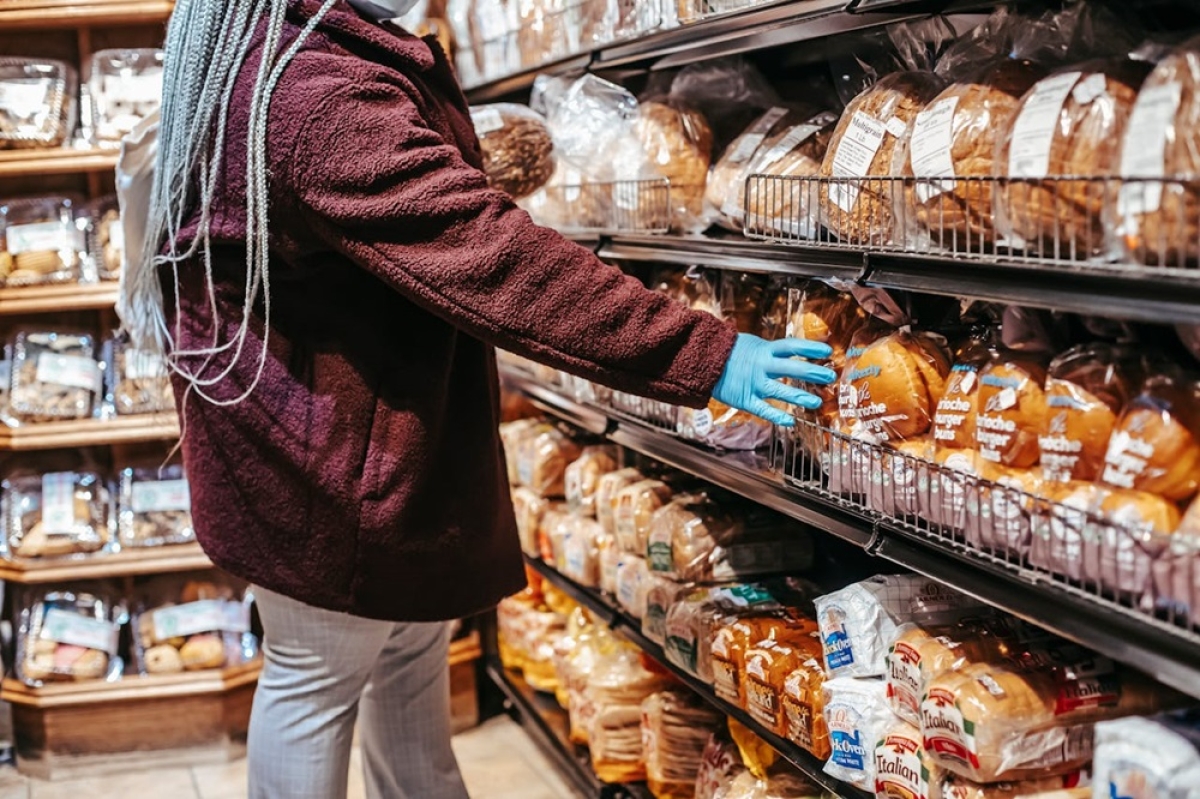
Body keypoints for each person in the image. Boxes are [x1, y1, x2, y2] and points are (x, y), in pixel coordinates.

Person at [119, 1, 835, 796]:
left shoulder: (274, 51)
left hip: (340, 453)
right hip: (336, 482)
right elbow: (496, 258)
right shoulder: (316, 93)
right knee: (315, 683)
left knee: (400, 678)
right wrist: (704, 352)